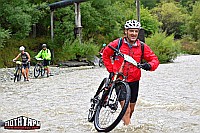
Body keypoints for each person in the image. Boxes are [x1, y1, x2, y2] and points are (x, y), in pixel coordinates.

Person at [103, 20, 159, 125]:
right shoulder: (117, 43)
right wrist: (111, 70)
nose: (133, 33)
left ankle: (125, 126)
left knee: (131, 110)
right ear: (126, 31)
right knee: (126, 110)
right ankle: (128, 129)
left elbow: (154, 60)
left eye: (136, 31)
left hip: (134, 80)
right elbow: (105, 54)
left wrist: (149, 65)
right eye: (131, 31)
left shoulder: (142, 46)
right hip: (120, 79)